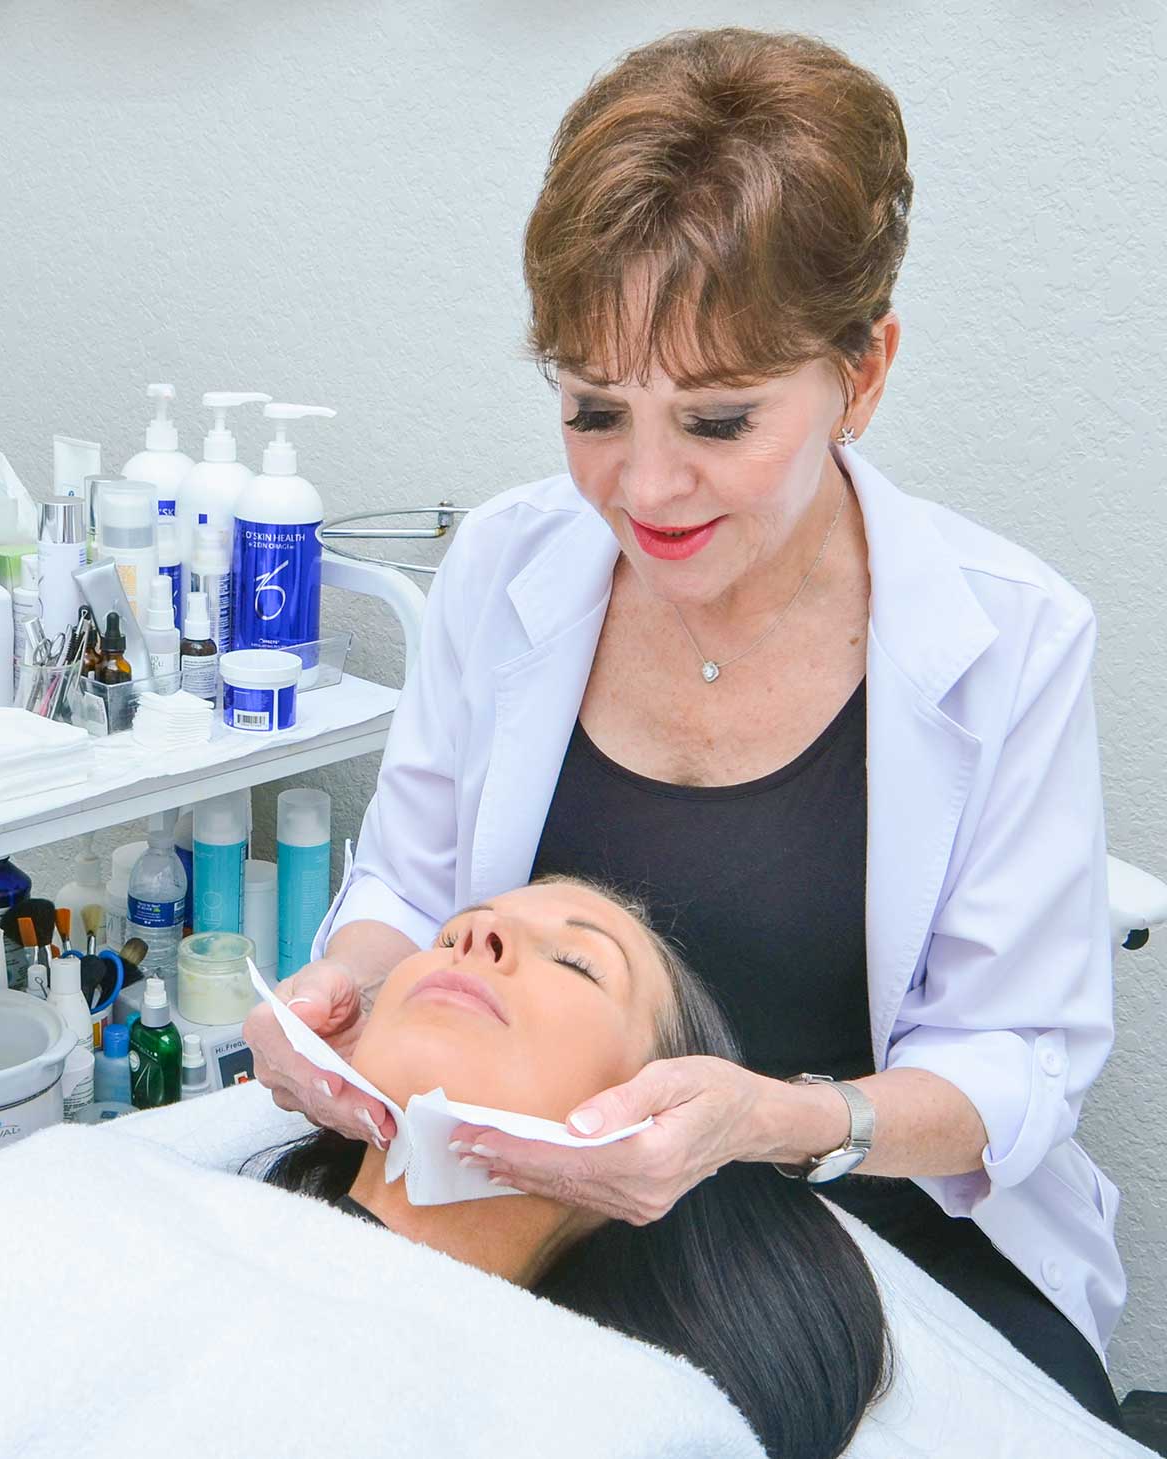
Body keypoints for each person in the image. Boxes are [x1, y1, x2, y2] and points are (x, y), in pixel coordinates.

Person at [245, 27, 1126, 1427]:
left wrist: (780, 1122)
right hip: (554, 1224)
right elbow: (406, 886)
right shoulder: (506, 567)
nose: (644, 485)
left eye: (719, 421)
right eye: (596, 410)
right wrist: (337, 994)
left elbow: (1019, 1065)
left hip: (881, 1230)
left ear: (866, 370)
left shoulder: (1009, 638)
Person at [245, 876, 893, 1459]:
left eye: (577, 964)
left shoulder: (569, 1428)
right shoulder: (173, 1218)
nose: (475, 934)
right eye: (447, 935)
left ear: (657, 1137)